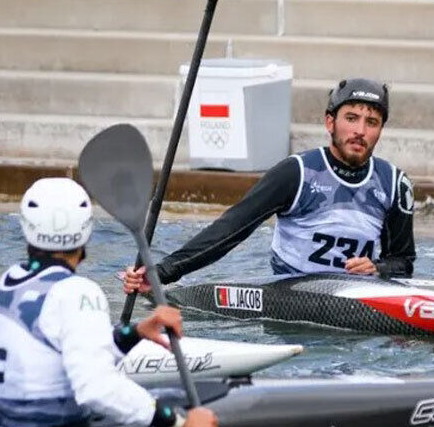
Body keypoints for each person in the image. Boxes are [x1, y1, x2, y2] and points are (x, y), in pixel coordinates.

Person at [0, 177, 219, 427]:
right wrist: (180, 423)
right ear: (86, 230)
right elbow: (96, 388)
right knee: (169, 401)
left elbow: (52, 354)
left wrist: (135, 333)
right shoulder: (77, 291)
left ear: (26, 228)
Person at [123, 77, 415, 294]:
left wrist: (379, 268)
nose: (360, 131)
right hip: (291, 294)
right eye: (351, 118)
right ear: (330, 122)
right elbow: (229, 231)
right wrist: (162, 272)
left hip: (359, 298)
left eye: (372, 122)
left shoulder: (394, 184)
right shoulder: (295, 173)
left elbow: (403, 261)